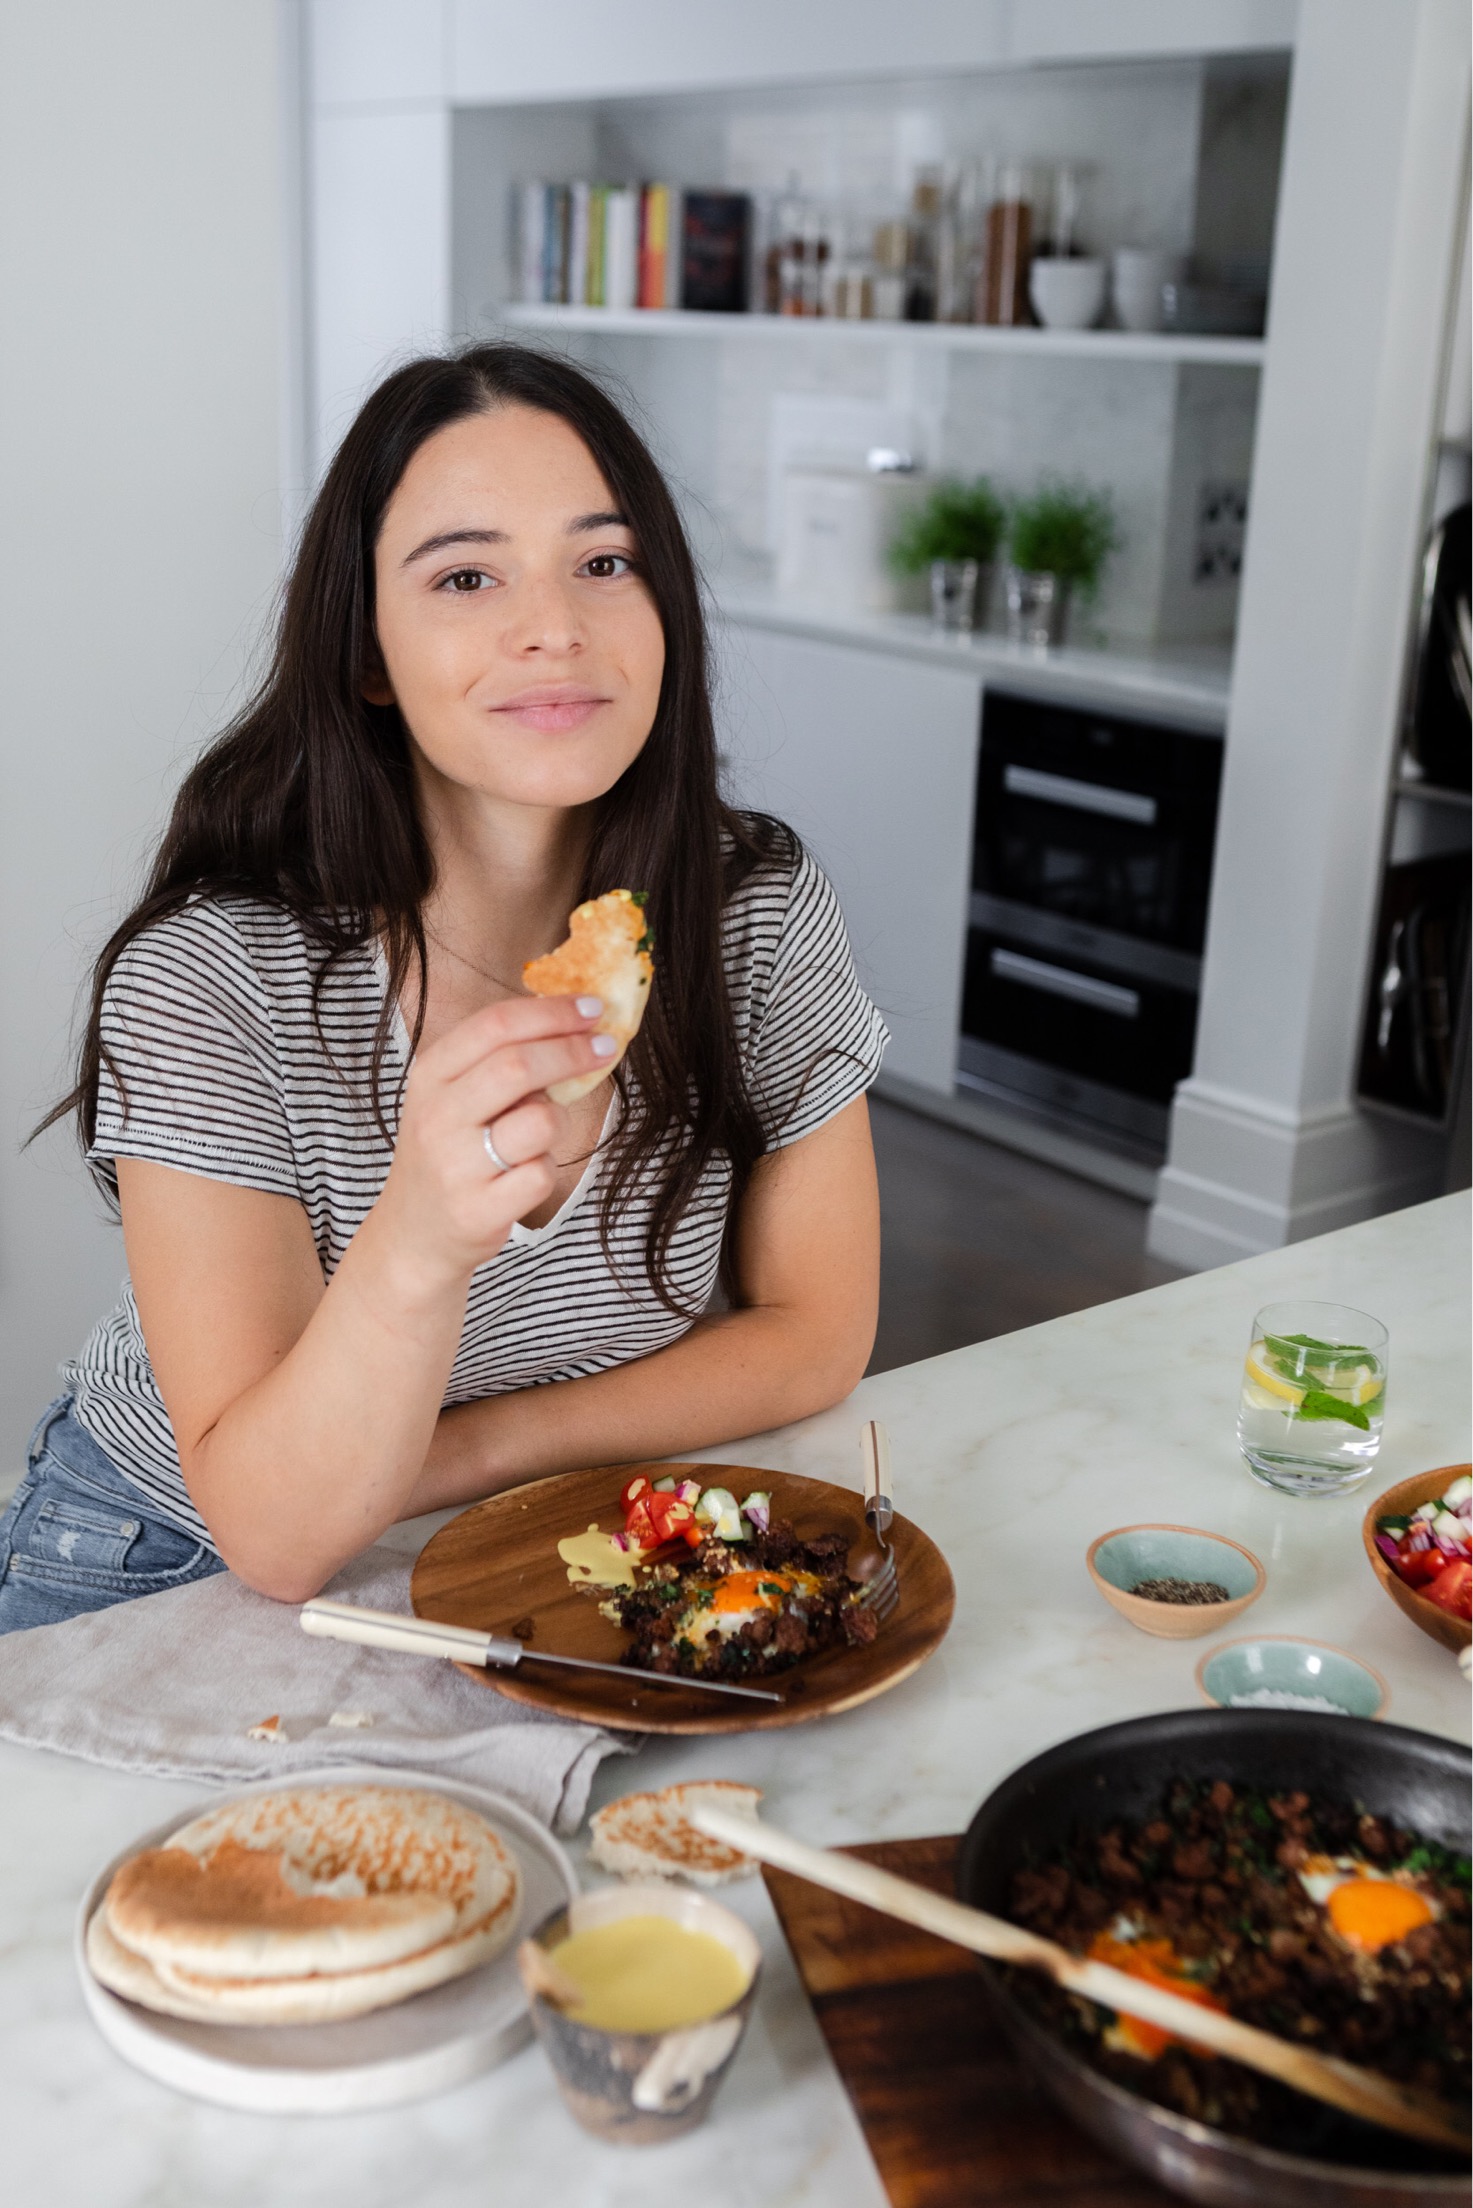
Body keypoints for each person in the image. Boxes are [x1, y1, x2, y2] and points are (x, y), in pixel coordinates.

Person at [0, 345, 885, 1634]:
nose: (554, 625)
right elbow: (277, 1533)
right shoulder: (209, 978)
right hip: (168, 1560)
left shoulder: (750, 904)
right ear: (369, 655)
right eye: (467, 576)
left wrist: (462, 1457)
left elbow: (815, 1331)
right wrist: (418, 1231)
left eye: (604, 561)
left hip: (556, 1521)